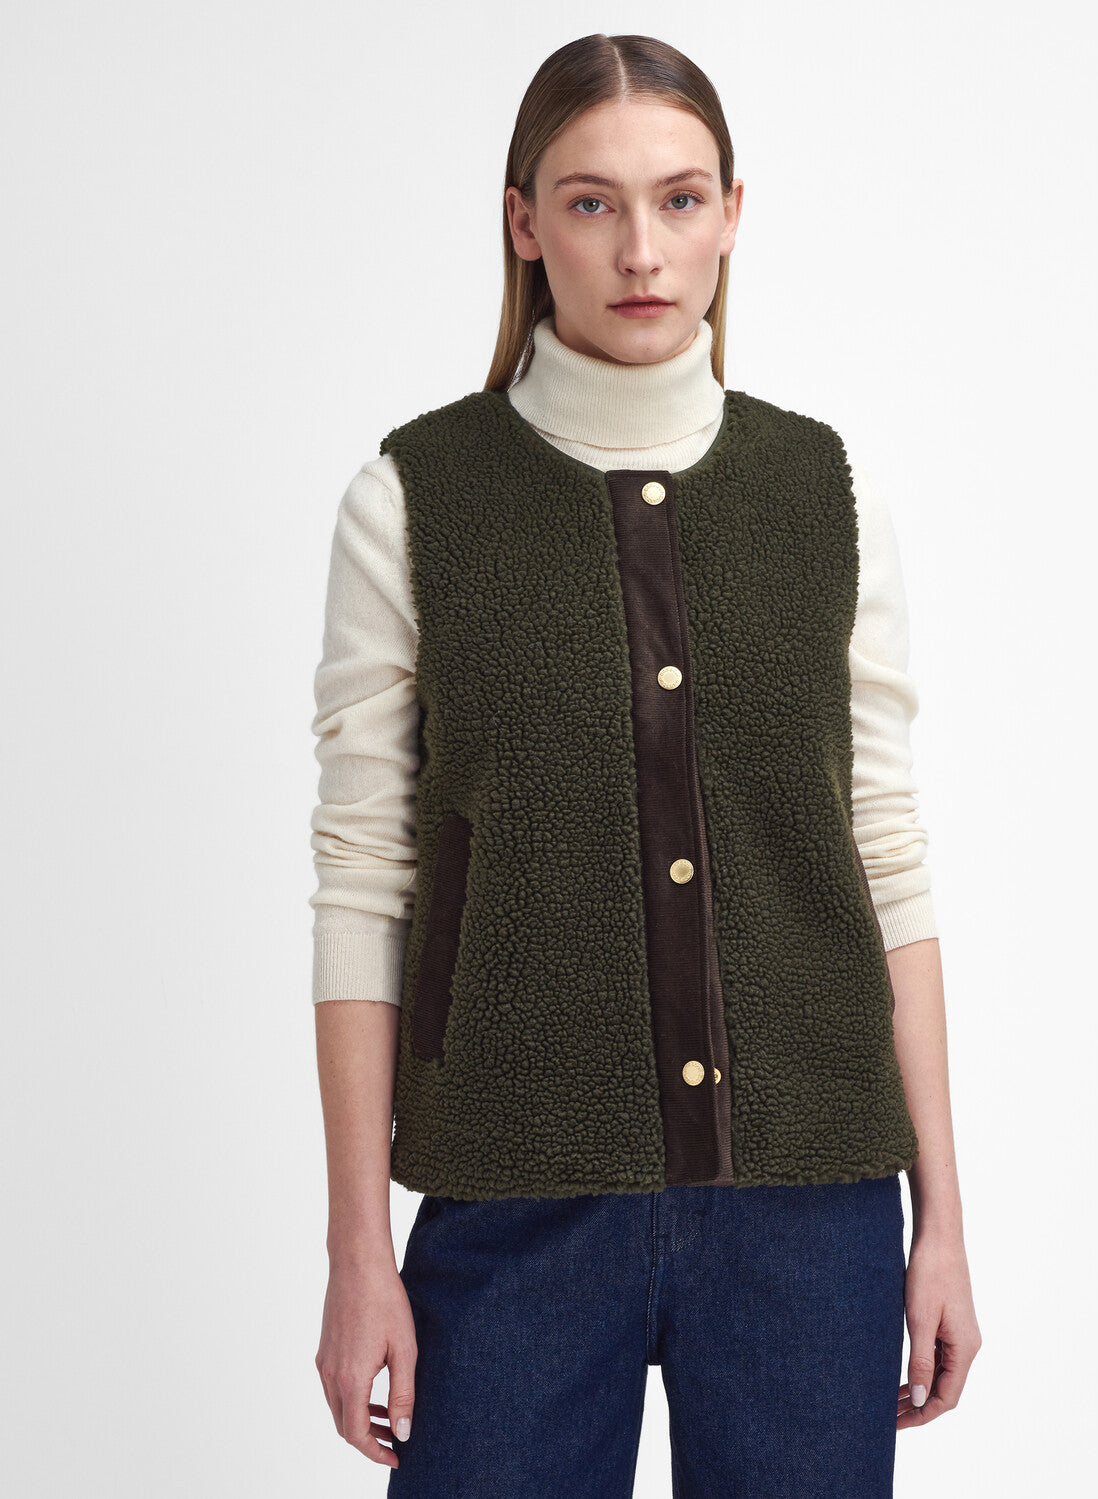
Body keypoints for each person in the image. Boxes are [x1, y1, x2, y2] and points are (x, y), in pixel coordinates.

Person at [309, 32, 981, 1498]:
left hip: (810, 1210)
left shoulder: (824, 494)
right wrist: (359, 1247)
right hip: (515, 1201)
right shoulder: (415, 498)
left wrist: (942, 1219)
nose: (640, 251)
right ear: (522, 223)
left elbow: (885, 856)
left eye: (678, 200)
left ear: (731, 215)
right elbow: (364, 878)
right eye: (590, 202)